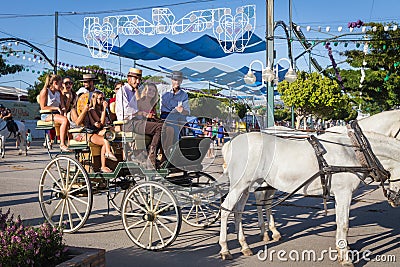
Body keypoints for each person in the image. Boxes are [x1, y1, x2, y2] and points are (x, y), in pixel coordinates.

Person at [115, 67, 165, 168]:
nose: (138, 82)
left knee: (163, 125)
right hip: (127, 123)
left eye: (139, 79)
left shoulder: (133, 92)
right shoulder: (122, 90)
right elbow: (126, 110)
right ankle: (152, 156)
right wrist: (143, 114)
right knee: (159, 127)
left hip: (136, 122)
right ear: (128, 78)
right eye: (135, 79)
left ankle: (160, 156)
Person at [68, 92, 117, 173]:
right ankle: (103, 165)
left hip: (89, 131)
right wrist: (84, 110)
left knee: (107, 136)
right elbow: (77, 122)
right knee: (105, 140)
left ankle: (107, 159)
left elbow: (93, 122)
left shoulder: (89, 110)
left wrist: (95, 123)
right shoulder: (73, 110)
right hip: (80, 133)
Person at [138, 83, 174, 163]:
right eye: (149, 90)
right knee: (161, 127)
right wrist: (147, 115)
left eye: (154, 91)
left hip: (151, 124)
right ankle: (152, 152)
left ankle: (164, 154)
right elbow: (136, 113)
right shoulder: (140, 101)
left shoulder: (153, 104)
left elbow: (155, 117)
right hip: (141, 124)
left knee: (170, 128)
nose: (151, 92)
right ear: (145, 91)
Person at [38, 74, 70, 152]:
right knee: (64, 120)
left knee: (69, 120)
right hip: (47, 114)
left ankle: (69, 142)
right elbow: (43, 107)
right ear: (55, 83)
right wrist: (55, 108)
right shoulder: (45, 91)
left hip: (57, 113)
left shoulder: (59, 93)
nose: (62, 85)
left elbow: (62, 106)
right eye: (60, 83)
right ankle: (62, 144)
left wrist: (64, 111)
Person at [160, 71, 190, 142]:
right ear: (171, 80)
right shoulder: (162, 89)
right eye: (175, 80)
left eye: (179, 80)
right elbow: (149, 89)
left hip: (176, 117)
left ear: (181, 81)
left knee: (178, 130)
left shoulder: (184, 95)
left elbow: (187, 112)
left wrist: (182, 111)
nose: (177, 82)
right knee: (174, 131)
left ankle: (174, 147)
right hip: (164, 115)